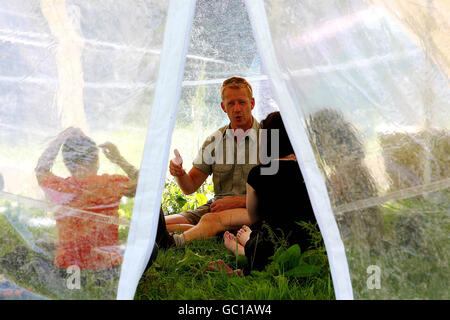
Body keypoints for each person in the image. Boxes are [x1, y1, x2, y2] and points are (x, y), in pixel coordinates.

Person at [165, 77, 261, 246]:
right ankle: (199, 231)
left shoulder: (269, 138)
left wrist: (238, 201)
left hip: (250, 211)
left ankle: (178, 240)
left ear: (252, 103)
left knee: (208, 220)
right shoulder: (215, 140)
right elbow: (189, 187)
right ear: (223, 107)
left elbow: (275, 195)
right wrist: (179, 173)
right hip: (216, 207)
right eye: (231, 103)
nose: (237, 109)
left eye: (242, 102)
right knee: (160, 223)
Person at [222, 111, 318, 273]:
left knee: (263, 243)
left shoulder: (257, 174)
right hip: (313, 243)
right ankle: (250, 244)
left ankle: (246, 245)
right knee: (286, 243)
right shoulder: (313, 171)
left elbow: (254, 217)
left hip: (272, 246)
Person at [35, 127, 138, 270]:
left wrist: (59, 140)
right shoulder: (111, 184)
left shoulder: (58, 188)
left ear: (66, 162)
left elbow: (41, 170)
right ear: (96, 158)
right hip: (106, 266)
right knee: (152, 248)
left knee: (42, 242)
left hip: (68, 266)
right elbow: (144, 186)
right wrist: (119, 159)